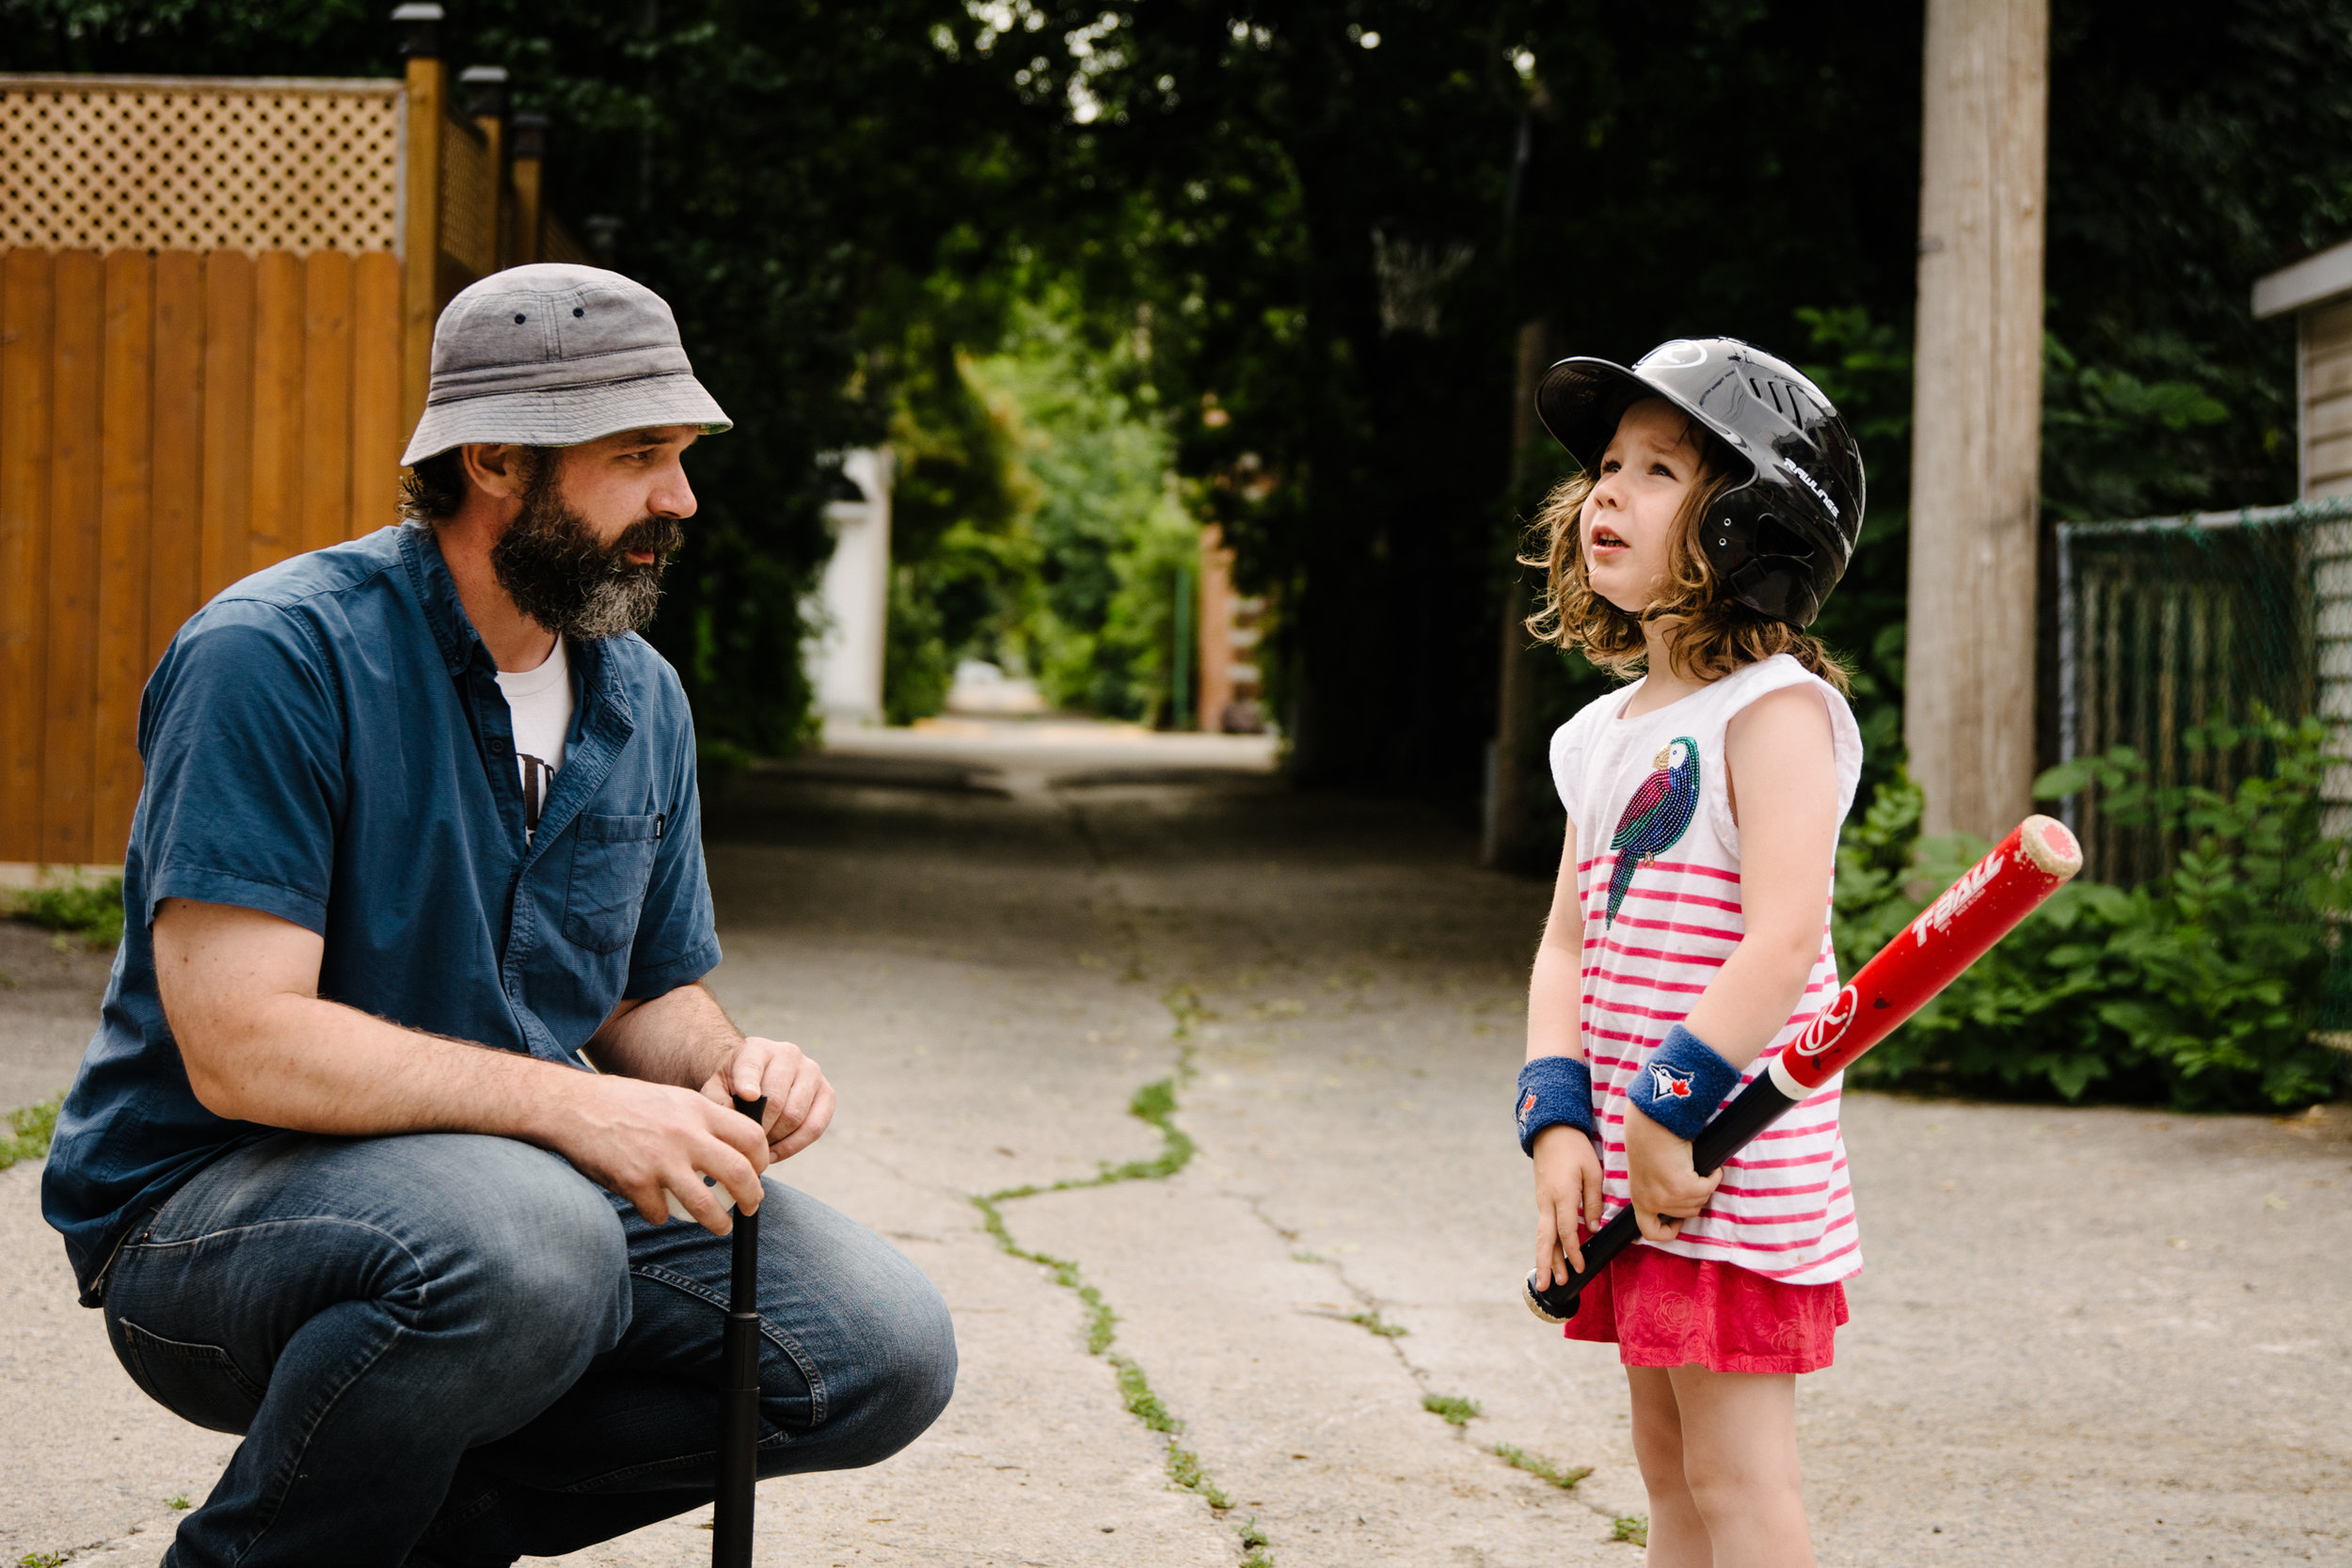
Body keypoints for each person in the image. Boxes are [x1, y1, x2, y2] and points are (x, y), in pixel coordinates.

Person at [40, 263, 956, 1566]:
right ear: (492, 460)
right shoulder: (276, 657)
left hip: (517, 1198)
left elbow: (644, 995)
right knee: (538, 1244)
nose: (679, 497)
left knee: (879, 1347)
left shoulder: (639, 697)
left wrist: (730, 1067)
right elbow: (241, 1042)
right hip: (209, 1218)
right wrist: (581, 1110)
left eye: (681, 455)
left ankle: (430, 1528)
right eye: (637, 453)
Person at [1512, 339, 1867, 1567]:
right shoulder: (1600, 737)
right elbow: (1566, 946)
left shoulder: (1774, 714)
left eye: (1659, 469)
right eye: (1607, 465)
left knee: (1737, 1483)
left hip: (1728, 1164)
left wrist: (1668, 1104)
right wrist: (1558, 1121)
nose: (1608, 489)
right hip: (1641, 1165)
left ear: (1758, 524)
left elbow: (1786, 938)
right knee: (1668, 1477)